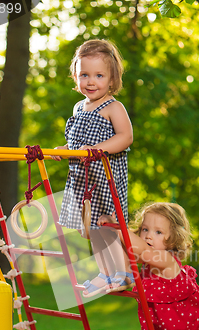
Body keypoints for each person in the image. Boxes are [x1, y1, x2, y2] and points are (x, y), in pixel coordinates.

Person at [52, 39, 133, 297]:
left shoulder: (113, 107)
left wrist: (97, 150)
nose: (90, 81)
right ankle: (105, 273)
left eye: (99, 75)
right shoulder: (78, 108)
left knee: (106, 226)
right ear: (75, 77)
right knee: (92, 230)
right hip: (83, 179)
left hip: (105, 177)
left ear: (111, 79)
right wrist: (66, 150)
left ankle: (122, 273)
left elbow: (125, 137)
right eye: (84, 74)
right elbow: (77, 142)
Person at [98, 202, 199, 330]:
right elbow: (128, 248)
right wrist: (111, 226)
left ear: (173, 239)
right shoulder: (149, 260)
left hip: (191, 326)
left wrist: (118, 228)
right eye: (145, 229)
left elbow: (142, 250)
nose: (149, 236)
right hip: (169, 328)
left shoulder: (166, 259)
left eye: (158, 232)